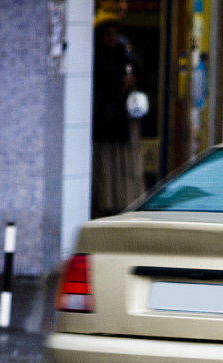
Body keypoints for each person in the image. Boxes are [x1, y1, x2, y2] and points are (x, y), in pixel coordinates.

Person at [92, 16, 145, 217]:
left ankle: (125, 200)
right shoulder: (98, 58)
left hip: (123, 123)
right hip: (105, 124)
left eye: (116, 34)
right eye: (108, 35)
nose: (113, 39)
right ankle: (106, 202)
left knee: (126, 165)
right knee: (106, 167)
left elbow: (139, 71)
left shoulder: (124, 55)